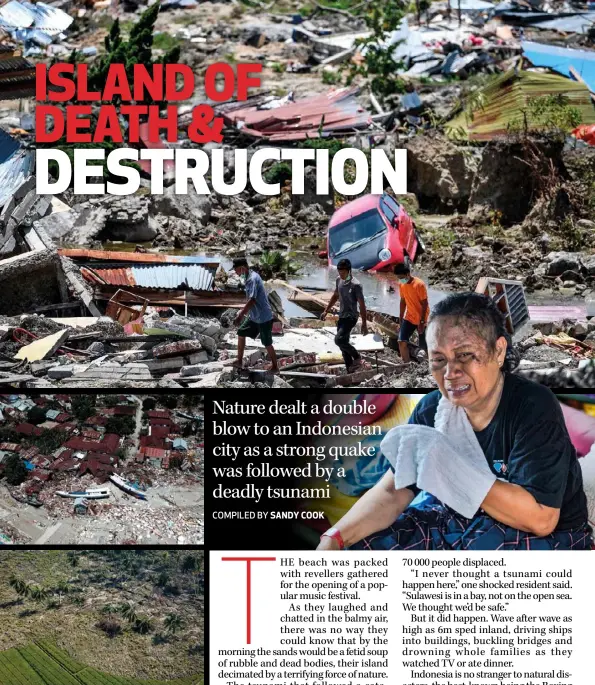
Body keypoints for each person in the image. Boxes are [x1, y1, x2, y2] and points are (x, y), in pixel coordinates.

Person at [317, 292, 592, 551]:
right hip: (461, 517)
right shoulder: (433, 409)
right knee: (363, 547)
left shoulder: (532, 407)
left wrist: (446, 462)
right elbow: (393, 491)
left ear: (498, 351)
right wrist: (335, 538)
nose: (450, 373)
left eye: (465, 355)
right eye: (438, 359)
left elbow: (540, 520)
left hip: (546, 535)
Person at [321, 258, 368, 373]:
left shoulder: (356, 285)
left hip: (351, 317)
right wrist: (326, 310)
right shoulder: (338, 280)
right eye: (339, 272)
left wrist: (364, 324)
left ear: (349, 271)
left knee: (339, 340)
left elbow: (362, 305)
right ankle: (350, 370)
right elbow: (335, 295)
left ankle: (357, 357)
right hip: (342, 316)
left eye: (343, 273)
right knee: (343, 346)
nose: (341, 275)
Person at [232, 258, 279, 372]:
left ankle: (275, 367)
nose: (236, 273)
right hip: (254, 316)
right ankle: (239, 361)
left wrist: (240, 315)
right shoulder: (248, 276)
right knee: (241, 333)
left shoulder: (253, 279)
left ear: (242, 268)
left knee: (267, 343)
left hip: (263, 316)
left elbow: (252, 300)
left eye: (237, 270)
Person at [394, 262, 429, 363]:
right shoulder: (402, 284)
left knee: (423, 348)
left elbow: (425, 303)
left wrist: (422, 322)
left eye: (401, 277)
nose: (400, 279)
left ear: (408, 274)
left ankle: (426, 368)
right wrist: (400, 318)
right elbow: (403, 301)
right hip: (409, 317)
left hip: (422, 318)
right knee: (401, 341)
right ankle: (407, 365)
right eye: (398, 277)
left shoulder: (419, 284)